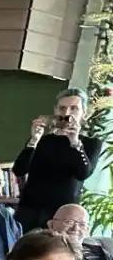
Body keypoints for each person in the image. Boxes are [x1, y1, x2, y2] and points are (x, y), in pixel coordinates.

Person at [13, 87, 104, 232]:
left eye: (74, 108)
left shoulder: (90, 143)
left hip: (63, 217)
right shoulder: (43, 140)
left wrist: (75, 142)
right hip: (29, 211)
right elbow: (19, 169)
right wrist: (33, 140)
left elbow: (83, 173)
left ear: (84, 112)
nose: (67, 113)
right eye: (62, 108)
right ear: (55, 111)